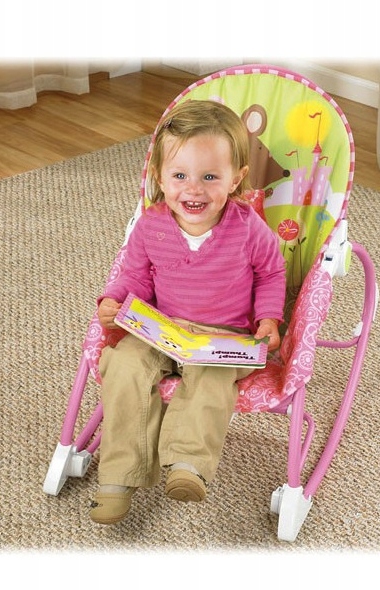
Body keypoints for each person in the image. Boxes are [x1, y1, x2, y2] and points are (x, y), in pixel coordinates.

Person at [89, 100, 286, 524]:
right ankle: (119, 477)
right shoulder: (151, 225)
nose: (193, 190)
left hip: (224, 335)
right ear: (159, 177)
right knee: (123, 366)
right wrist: (114, 299)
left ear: (237, 179)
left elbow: (271, 273)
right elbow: (135, 275)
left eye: (210, 177)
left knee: (212, 381)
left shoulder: (248, 228)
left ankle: (187, 464)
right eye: (179, 176)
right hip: (161, 327)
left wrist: (269, 319)